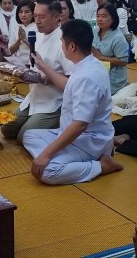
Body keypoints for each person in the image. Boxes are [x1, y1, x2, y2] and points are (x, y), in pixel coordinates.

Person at [23, 19, 123, 185]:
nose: (61, 46)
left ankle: (101, 165)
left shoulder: (87, 77)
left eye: (62, 42)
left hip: (86, 141)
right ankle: (65, 156)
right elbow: (69, 86)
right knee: (29, 135)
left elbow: (80, 125)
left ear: (72, 46)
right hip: (70, 133)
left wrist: (47, 154)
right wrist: (42, 65)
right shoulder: (89, 64)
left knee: (48, 172)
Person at [1, 0, 74, 144]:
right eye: (35, 16)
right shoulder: (37, 35)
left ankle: (64, 125)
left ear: (56, 17)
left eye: (42, 17)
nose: (37, 21)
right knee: (7, 129)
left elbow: (71, 83)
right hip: (34, 97)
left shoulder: (64, 41)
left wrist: (46, 76)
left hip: (54, 101)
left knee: (24, 137)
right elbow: (33, 65)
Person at [92, 4, 128, 95]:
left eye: (104, 16)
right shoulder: (94, 31)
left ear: (113, 18)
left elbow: (123, 62)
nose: (100, 19)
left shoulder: (118, 37)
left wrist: (101, 57)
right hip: (96, 71)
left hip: (113, 77)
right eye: (98, 16)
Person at [9, 0, 37, 65]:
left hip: (32, 64)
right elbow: (11, 51)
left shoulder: (37, 27)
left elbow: (38, 50)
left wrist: (24, 40)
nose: (23, 15)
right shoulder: (16, 27)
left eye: (27, 12)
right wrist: (19, 40)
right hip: (17, 62)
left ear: (33, 14)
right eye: (20, 12)